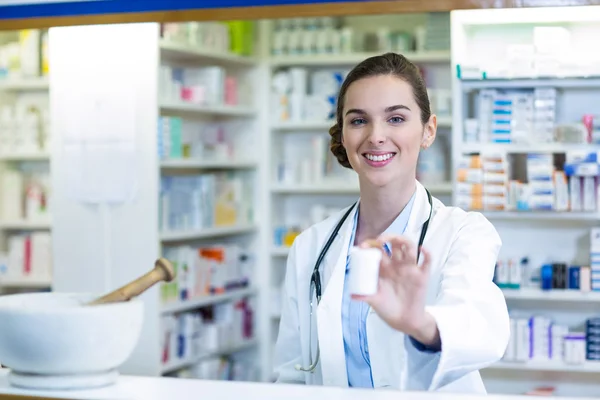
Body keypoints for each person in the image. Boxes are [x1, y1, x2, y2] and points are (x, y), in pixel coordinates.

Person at [272, 52, 510, 393]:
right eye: (358, 121)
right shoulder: (311, 246)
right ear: (342, 136)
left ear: (428, 131)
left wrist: (420, 324)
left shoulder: (463, 233)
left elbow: (478, 325)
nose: (376, 136)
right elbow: (292, 374)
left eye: (396, 119)